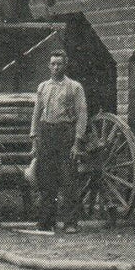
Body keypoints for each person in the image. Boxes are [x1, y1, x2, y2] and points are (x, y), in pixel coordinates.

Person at [30, 49, 89, 234]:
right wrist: (34, 138)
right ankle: (46, 222)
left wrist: (77, 141)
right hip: (47, 133)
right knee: (47, 180)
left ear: (65, 65)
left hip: (66, 134)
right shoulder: (43, 87)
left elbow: (82, 114)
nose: (56, 67)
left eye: (59, 64)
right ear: (49, 66)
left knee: (68, 179)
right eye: (53, 64)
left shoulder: (75, 87)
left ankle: (70, 223)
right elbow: (36, 114)